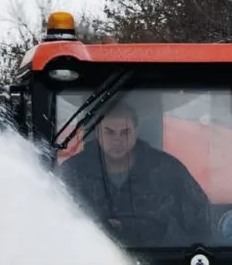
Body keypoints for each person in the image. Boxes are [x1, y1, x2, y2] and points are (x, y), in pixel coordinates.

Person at [56, 101, 213, 247]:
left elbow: (202, 223)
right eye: (109, 132)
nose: (117, 140)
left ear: (136, 131)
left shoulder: (167, 171)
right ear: (98, 133)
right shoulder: (73, 173)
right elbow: (54, 225)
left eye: (125, 132)